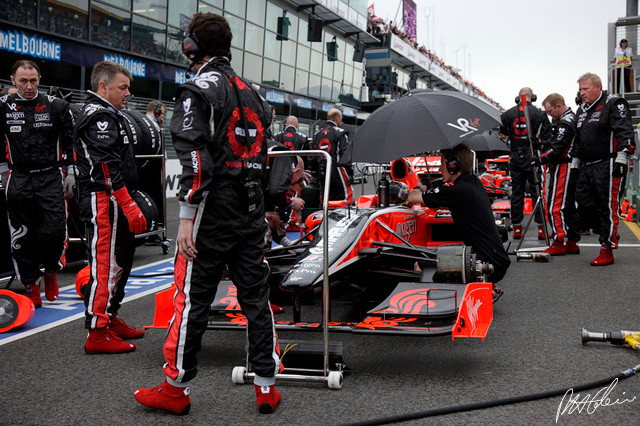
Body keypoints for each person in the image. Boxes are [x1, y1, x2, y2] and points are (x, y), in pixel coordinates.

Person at [134, 13, 282, 416]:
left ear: (192, 47)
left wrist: (185, 216)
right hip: (250, 212)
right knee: (256, 298)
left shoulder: (197, 90)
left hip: (211, 214)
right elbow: (271, 155)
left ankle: (175, 387)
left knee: (192, 301)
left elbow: (196, 160)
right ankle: (267, 386)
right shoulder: (254, 93)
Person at [74, 61, 147, 353]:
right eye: (123, 87)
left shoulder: (113, 114)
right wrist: (128, 203)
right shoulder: (98, 115)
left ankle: (110, 316)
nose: (128, 93)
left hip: (115, 198)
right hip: (104, 198)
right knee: (105, 266)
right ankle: (97, 332)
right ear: (103, 87)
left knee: (122, 260)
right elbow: (104, 165)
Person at [0, 60, 75, 308]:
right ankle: (31, 285)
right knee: (22, 235)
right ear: (13, 80)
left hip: (50, 176)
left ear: (39, 79)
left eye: (33, 80)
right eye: (23, 81)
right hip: (18, 177)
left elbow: (70, 140)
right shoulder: (3, 106)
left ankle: (52, 272)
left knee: (54, 230)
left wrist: (71, 172)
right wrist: (2, 170)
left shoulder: (56, 106)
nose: (29, 86)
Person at [407, 144, 510, 300]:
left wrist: (418, 187)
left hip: (486, 262)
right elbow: (444, 190)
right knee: (442, 255)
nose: (440, 169)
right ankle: (483, 284)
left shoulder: (455, 190)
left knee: (420, 265)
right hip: (496, 258)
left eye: (442, 164)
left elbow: (412, 197)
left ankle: (432, 301)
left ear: (453, 166)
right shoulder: (473, 181)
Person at [572, 72, 635, 265]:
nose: (581, 93)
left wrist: (622, 158)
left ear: (597, 87)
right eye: (580, 89)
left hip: (607, 164)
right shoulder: (582, 110)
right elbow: (578, 138)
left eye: (585, 89)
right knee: (582, 203)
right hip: (586, 165)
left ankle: (606, 248)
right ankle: (602, 231)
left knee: (607, 206)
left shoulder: (614, 103)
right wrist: (575, 163)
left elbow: (625, 132)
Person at [499, 87, 552, 240]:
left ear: (518, 98)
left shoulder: (507, 114)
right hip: (533, 159)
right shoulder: (540, 114)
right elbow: (548, 137)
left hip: (515, 158)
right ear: (532, 97)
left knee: (517, 193)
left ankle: (516, 229)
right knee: (537, 194)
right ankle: (542, 230)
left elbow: (504, 133)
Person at [536, 93, 581, 255]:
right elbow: (557, 143)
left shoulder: (566, 122)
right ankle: (572, 241)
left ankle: (558, 240)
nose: (549, 115)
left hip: (564, 166)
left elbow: (557, 148)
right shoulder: (569, 120)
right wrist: (541, 144)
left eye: (550, 111)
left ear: (558, 106)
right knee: (569, 205)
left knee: (556, 206)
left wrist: (539, 159)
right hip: (570, 165)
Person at [311, 108, 353, 204]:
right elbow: (345, 155)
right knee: (346, 197)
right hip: (337, 169)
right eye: (341, 118)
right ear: (337, 118)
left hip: (322, 170)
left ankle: (325, 216)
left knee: (325, 197)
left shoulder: (317, 134)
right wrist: (350, 173)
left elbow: (313, 156)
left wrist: (314, 174)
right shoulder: (341, 133)